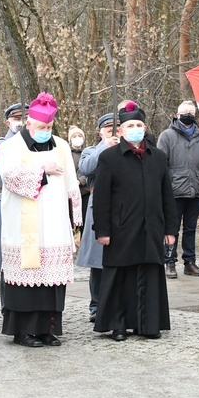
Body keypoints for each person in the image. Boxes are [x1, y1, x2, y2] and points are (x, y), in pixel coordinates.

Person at [0, 92, 82, 347]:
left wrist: (75, 219)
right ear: (29, 124)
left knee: (51, 278)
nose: (45, 130)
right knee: (26, 277)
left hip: (55, 223)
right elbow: (10, 178)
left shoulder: (62, 146)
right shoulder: (10, 146)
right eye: (40, 127)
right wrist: (41, 169)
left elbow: (71, 183)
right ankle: (23, 331)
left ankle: (48, 328)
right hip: (24, 226)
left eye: (49, 126)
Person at [93, 102, 177, 340]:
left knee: (150, 274)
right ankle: (118, 324)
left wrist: (170, 228)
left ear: (145, 127)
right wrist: (102, 230)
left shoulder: (158, 157)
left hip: (151, 227)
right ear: (120, 130)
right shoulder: (109, 158)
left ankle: (148, 323)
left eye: (139, 124)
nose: (135, 129)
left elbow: (167, 196)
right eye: (130, 125)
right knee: (121, 277)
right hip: (121, 228)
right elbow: (101, 198)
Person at [157, 100, 199, 278]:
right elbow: (160, 164)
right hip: (173, 191)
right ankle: (169, 261)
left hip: (196, 189)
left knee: (191, 228)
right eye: (184, 111)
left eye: (191, 111)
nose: (188, 114)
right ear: (177, 114)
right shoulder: (166, 136)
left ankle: (190, 261)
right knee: (171, 228)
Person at [76, 113, 118, 322]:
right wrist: (105, 146)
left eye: (116, 127)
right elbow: (86, 168)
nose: (113, 131)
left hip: (123, 208)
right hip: (98, 206)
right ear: (100, 131)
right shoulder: (91, 151)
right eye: (108, 128)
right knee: (98, 261)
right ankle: (96, 304)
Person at [0, 102, 28, 310]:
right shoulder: (0, 144)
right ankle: (7, 306)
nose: (20, 122)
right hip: (8, 201)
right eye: (16, 118)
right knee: (8, 258)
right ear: (8, 121)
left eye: (24, 118)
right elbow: (2, 167)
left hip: (31, 204)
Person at [68, 125, 90, 234]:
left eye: (80, 136)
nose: (77, 138)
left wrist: (80, 181)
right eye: (74, 136)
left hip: (85, 194)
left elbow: (91, 172)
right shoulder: (66, 154)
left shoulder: (88, 153)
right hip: (70, 196)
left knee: (85, 225)